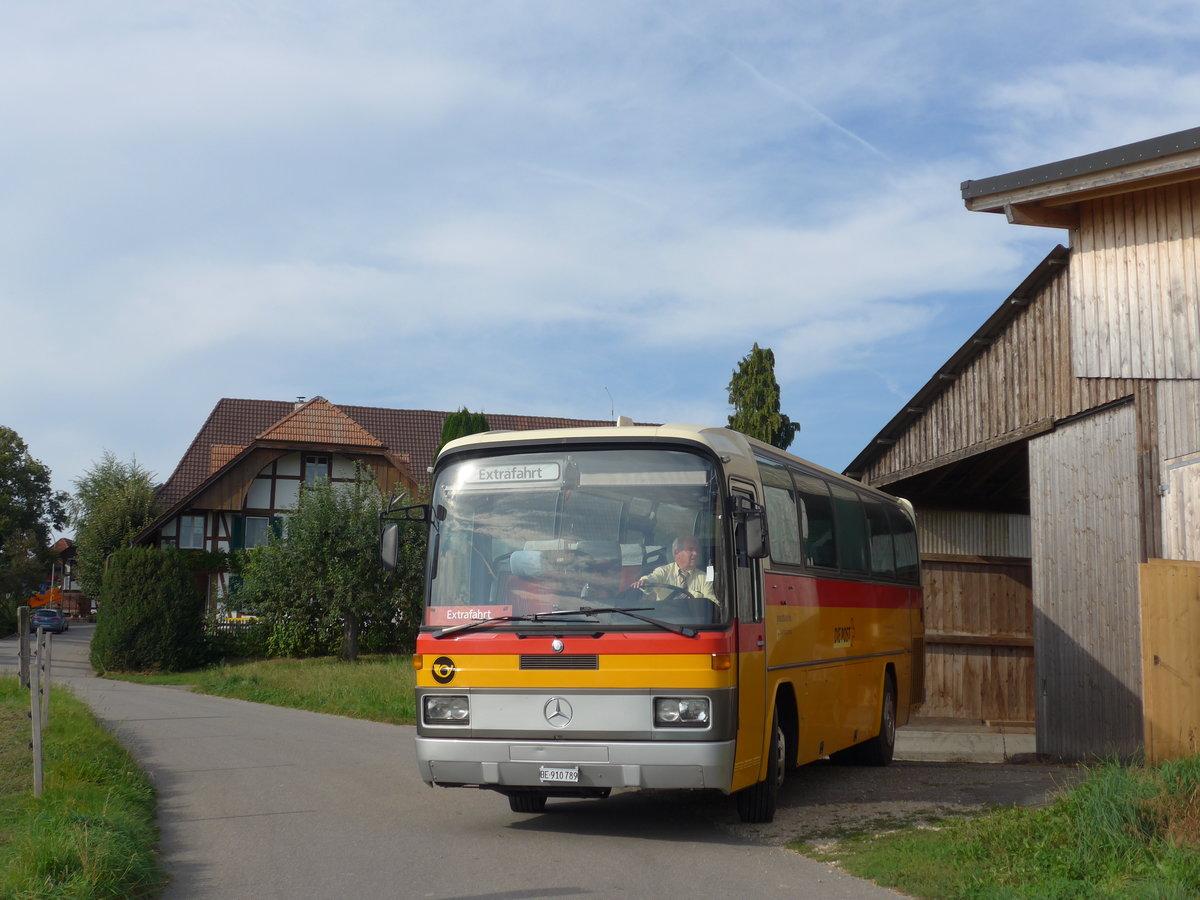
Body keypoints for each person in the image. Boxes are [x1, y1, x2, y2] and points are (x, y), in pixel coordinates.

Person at [634, 536, 718, 603]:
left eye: (696, 550)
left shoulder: (704, 577)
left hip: (694, 621)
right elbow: (652, 579)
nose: (695, 553)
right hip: (665, 620)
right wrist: (644, 581)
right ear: (676, 553)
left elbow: (711, 604)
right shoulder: (663, 571)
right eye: (690, 550)